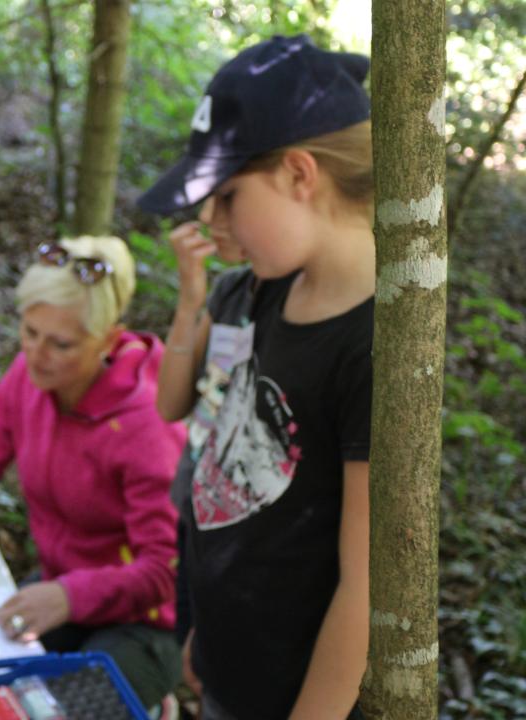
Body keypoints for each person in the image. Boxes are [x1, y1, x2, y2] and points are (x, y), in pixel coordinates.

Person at [138, 35, 374, 719]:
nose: (212, 220)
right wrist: (210, 640)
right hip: (225, 669)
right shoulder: (271, 291)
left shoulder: (372, 345)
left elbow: (364, 589)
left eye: (228, 196)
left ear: (301, 174)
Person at [0, 236, 186, 713]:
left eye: (61, 344)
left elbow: (165, 571)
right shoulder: (30, 378)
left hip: (144, 625)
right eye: (29, 332)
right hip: (61, 588)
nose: (37, 354)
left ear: (109, 339)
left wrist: (69, 596)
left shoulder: (145, 425)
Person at [154, 200, 251, 646]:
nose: (209, 218)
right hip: (196, 515)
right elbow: (172, 404)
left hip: (244, 539)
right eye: (208, 202)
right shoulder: (231, 291)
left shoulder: (294, 309)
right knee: (191, 647)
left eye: (229, 199)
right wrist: (190, 301)